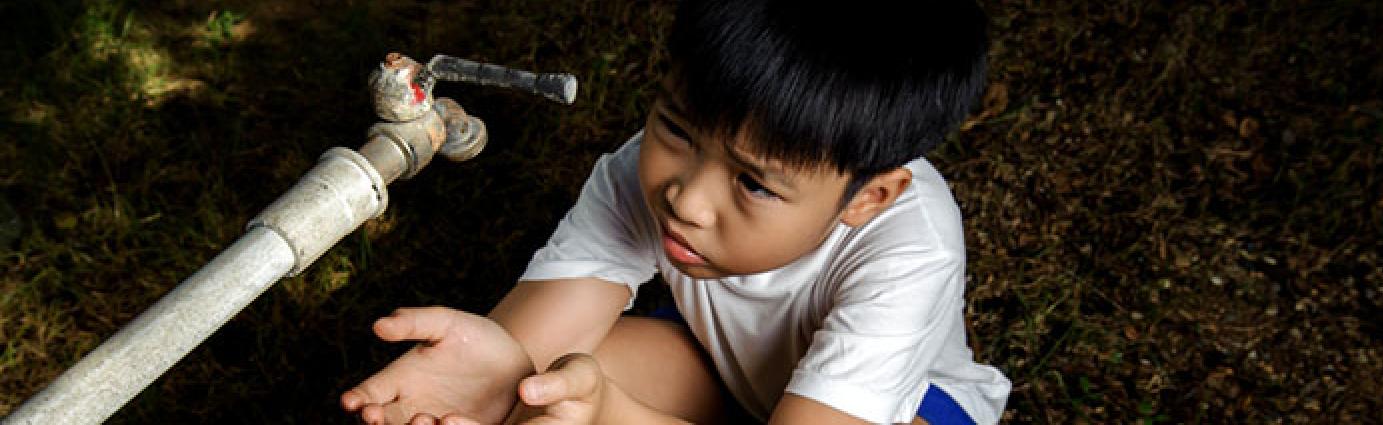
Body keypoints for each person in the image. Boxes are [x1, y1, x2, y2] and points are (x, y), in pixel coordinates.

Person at [341, 0, 1010, 423]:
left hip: (903, 407)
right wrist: (499, 368)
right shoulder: (649, 171)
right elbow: (529, 346)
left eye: (753, 184)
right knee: (545, 390)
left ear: (869, 196)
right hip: (726, 371)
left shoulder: (913, 249)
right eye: (679, 130)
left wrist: (612, 414)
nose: (686, 198)